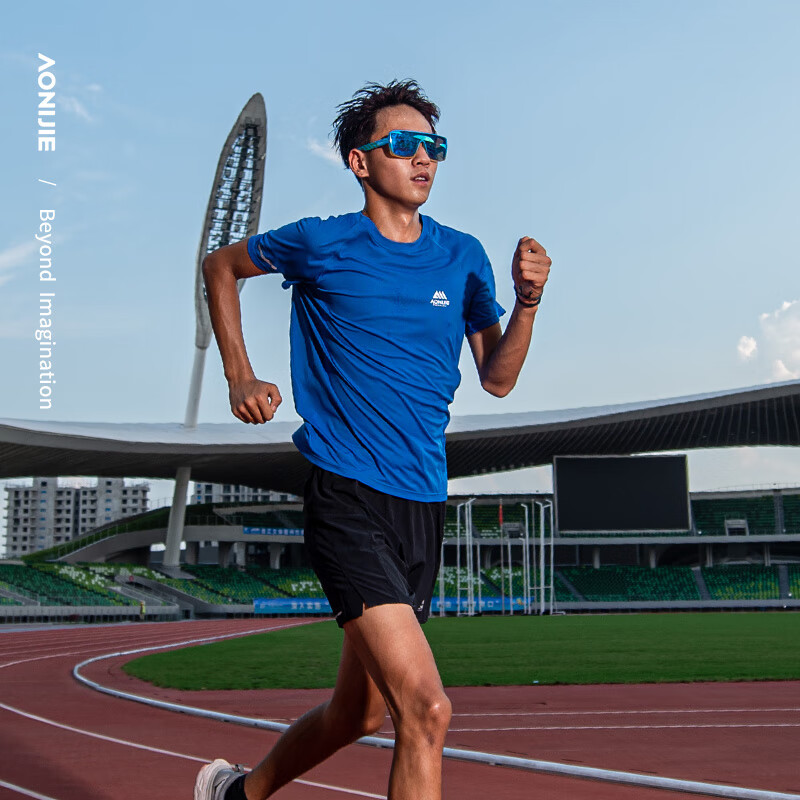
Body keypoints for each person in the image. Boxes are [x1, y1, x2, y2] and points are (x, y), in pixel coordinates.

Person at [195, 79, 551, 800]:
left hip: (421, 503)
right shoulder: (323, 241)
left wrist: (529, 305)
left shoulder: (464, 256)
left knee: (357, 710)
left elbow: (499, 378)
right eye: (405, 145)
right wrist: (239, 374)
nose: (424, 159)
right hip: (347, 494)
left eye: (434, 147)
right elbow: (222, 266)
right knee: (426, 710)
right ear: (362, 162)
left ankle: (238, 794)